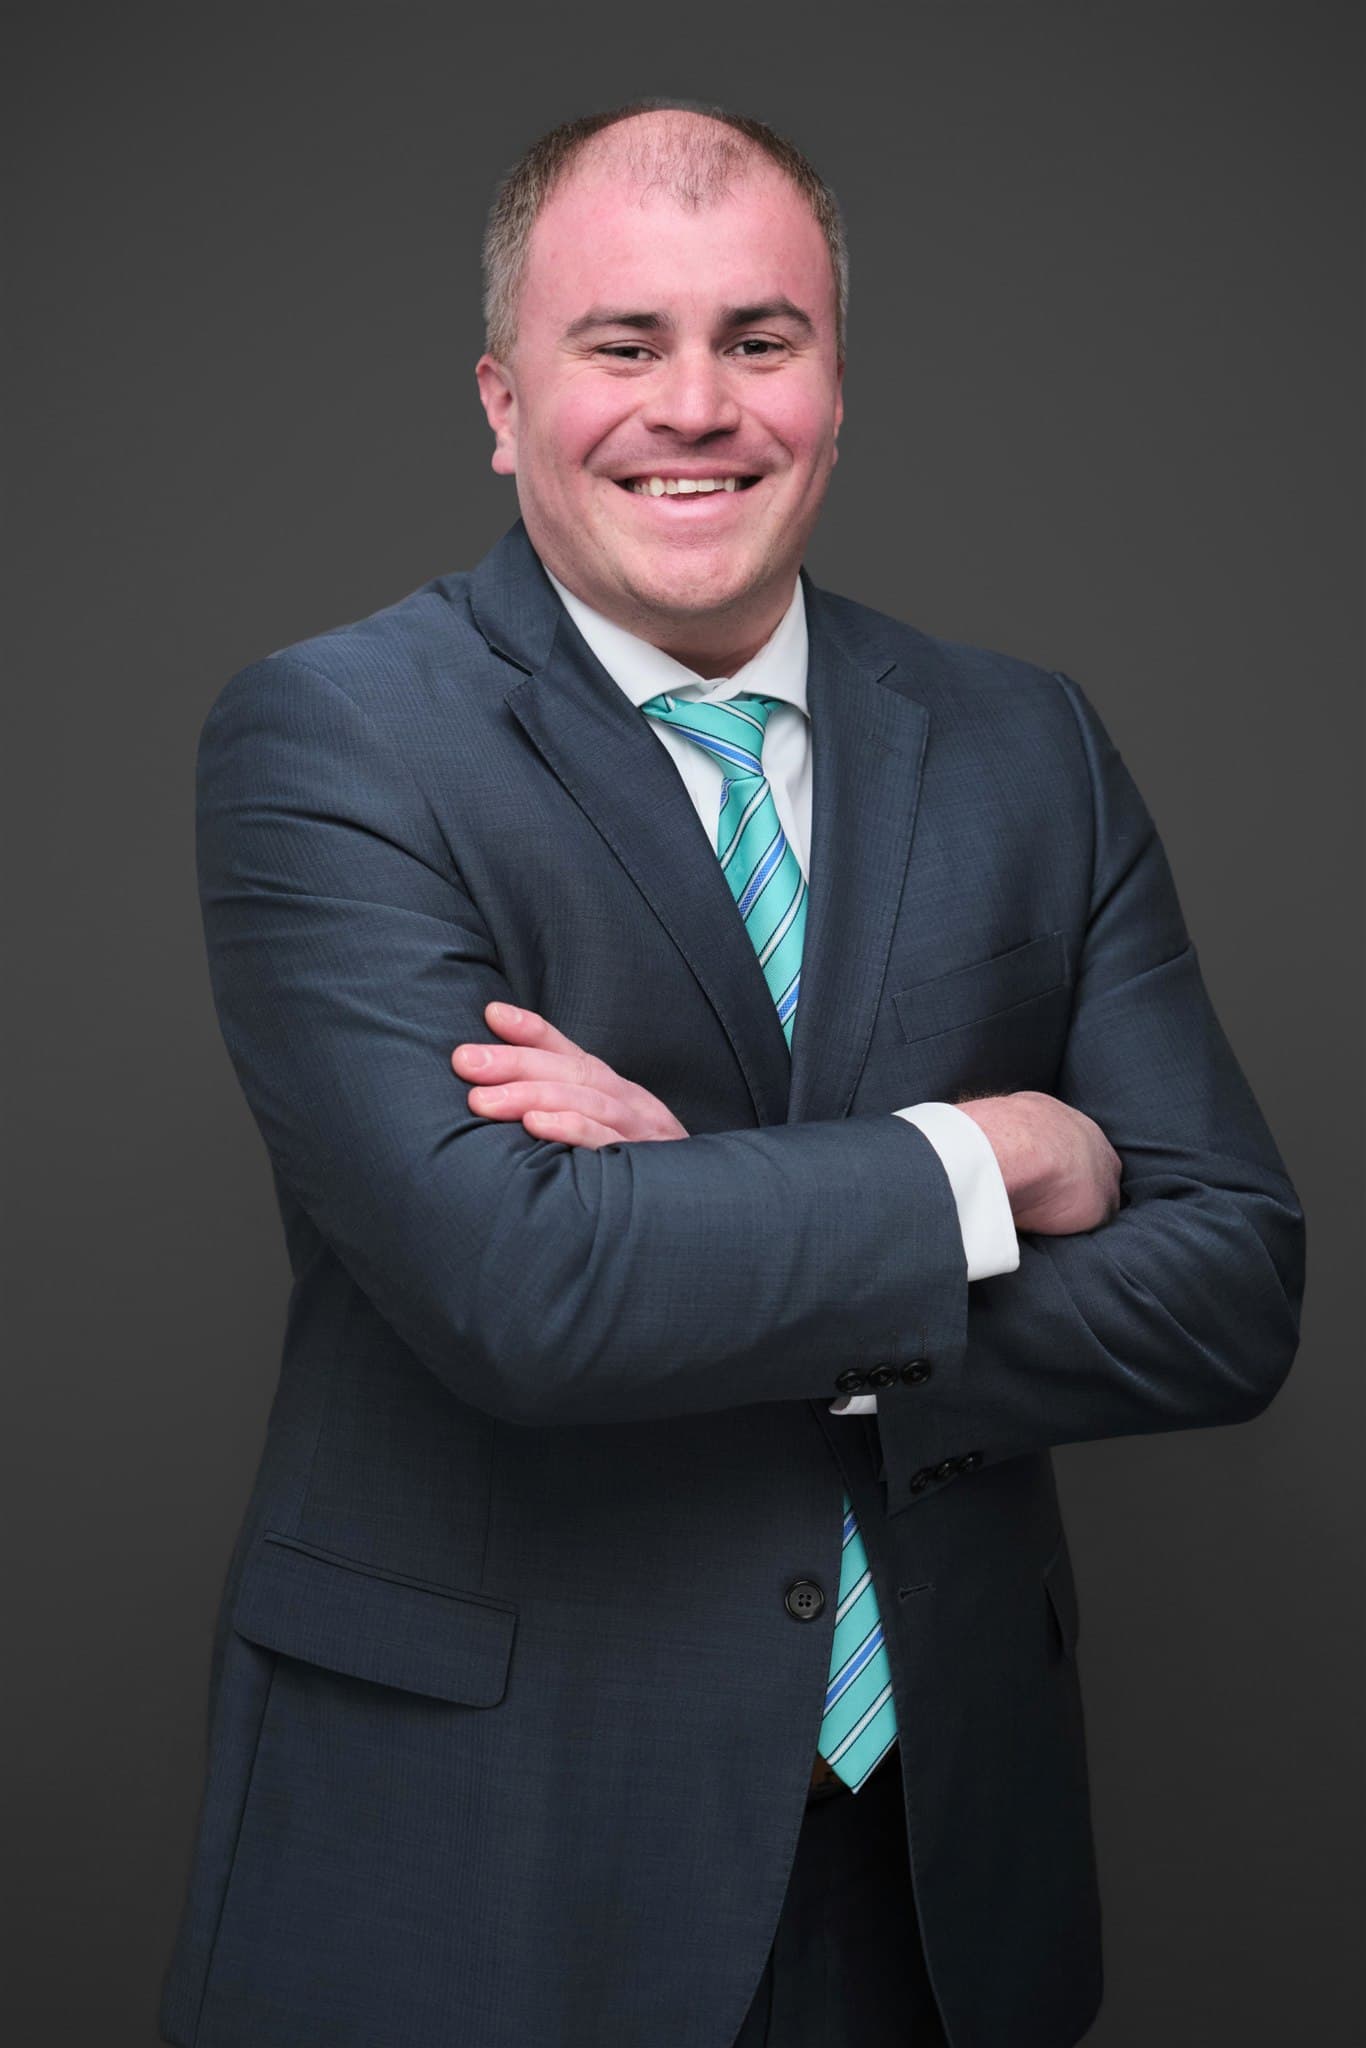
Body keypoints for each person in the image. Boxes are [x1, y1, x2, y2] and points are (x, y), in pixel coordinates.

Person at [158, 100, 1305, 2048]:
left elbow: (1232, 1284)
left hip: (934, 1875)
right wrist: (987, 1153)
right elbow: (520, 1286)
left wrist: (718, 1210)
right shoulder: (332, 742)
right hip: (483, 1871)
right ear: (503, 399)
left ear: (834, 386)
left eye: (758, 340)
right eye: (621, 344)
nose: (694, 407)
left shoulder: (1027, 742)